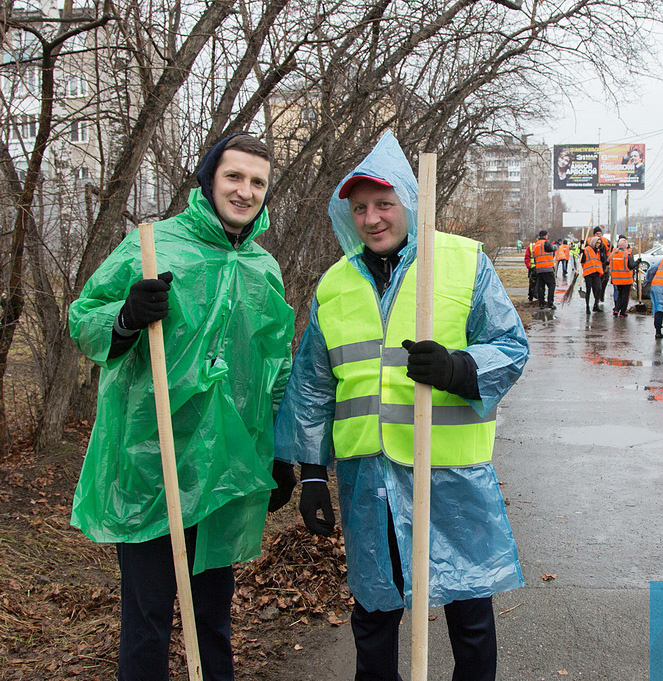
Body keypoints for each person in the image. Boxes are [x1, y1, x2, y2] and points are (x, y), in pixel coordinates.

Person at [273, 131, 529, 681]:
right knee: (375, 609)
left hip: (451, 473)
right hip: (370, 480)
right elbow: (313, 386)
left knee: (469, 609)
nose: (372, 219)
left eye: (384, 204)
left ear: (409, 204)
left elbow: (510, 346)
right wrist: (313, 474)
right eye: (360, 208)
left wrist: (459, 368)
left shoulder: (462, 262)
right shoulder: (335, 285)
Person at [67, 133, 296, 681]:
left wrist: (279, 454)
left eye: (258, 182)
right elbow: (83, 316)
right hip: (151, 463)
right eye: (234, 177)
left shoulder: (264, 268)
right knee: (147, 618)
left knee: (213, 616)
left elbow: (276, 367)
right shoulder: (154, 245)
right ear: (209, 178)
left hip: (224, 472)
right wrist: (125, 316)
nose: (245, 191)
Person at [610, 237, 637, 317]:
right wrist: (638, 261)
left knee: (619, 295)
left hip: (616, 279)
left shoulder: (614, 254)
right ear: (625, 246)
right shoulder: (626, 255)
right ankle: (622, 312)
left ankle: (616, 309)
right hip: (626, 279)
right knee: (625, 296)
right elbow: (631, 266)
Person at [532, 229, 556, 309]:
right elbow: (553, 248)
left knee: (541, 287)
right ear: (545, 236)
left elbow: (535, 257)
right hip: (548, 268)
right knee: (551, 285)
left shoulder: (536, 245)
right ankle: (550, 303)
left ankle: (541, 304)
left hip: (539, 269)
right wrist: (555, 246)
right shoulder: (546, 243)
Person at [580, 235, 605, 314]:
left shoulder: (598, 251)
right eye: (597, 243)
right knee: (588, 290)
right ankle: (587, 307)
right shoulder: (586, 249)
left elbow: (602, 260)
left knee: (599, 288)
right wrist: (581, 251)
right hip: (588, 273)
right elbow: (582, 260)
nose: (598, 244)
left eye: (599, 243)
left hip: (596, 272)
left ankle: (595, 305)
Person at [591, 226, 611, 308]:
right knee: (594, 283)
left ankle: (601, 294)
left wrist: (608, 261)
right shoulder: (590, 241)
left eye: (600, 233)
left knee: (604, 280)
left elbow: (610, 251)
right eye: (597, 234)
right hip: (593, 265)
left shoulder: (606, 241)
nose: (598, 235)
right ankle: (596, 297)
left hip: (603, 264)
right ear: (594, 234)